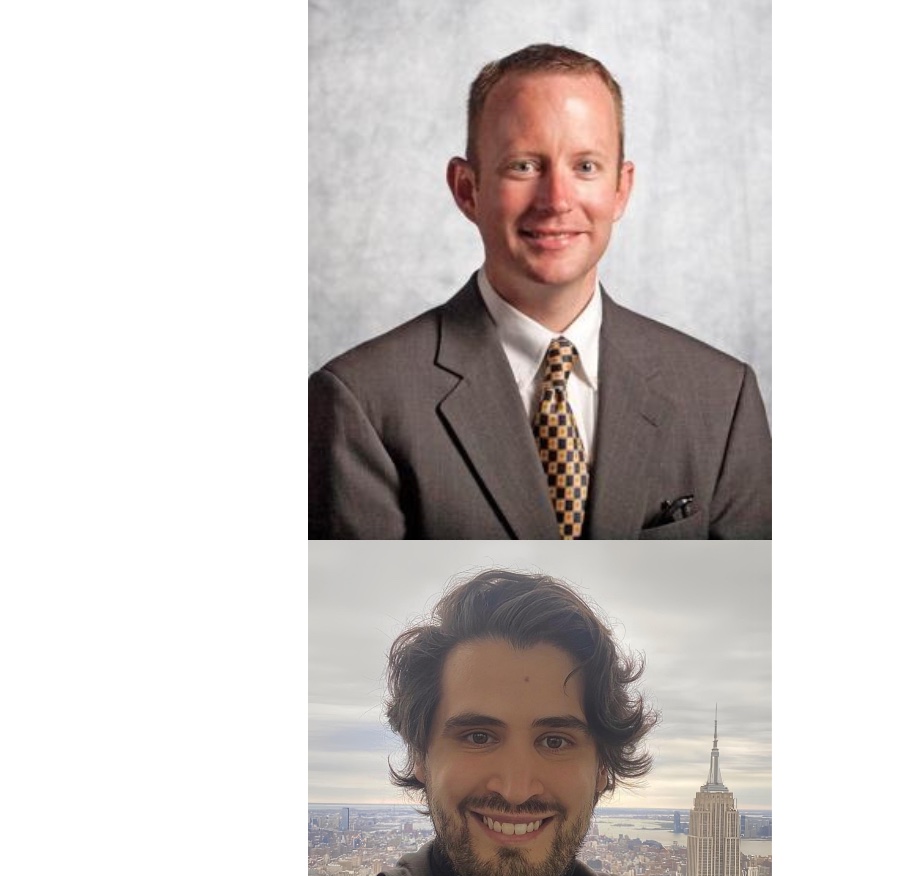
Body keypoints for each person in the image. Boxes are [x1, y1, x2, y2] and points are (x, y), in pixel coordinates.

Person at [309, 44, 770, 539]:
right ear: (467, 189)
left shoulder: (722, 399)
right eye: (524, 166)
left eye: (586, 167)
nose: (556, 201)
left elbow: (745, 613)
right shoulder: (362, 403)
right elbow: (363, 617)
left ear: (621, 189)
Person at [308, 569, 736, 876]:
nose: (515, 788)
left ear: (603, 768)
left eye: (555, 741)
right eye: (478, 736)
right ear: (420, 755)